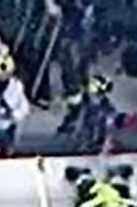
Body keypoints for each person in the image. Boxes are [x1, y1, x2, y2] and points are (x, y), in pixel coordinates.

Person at [46, 0, 96, 130]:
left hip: (78, 23)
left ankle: (84, 110)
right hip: (67, 23)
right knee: (69, 70)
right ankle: (77, 110)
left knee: (77, 68)